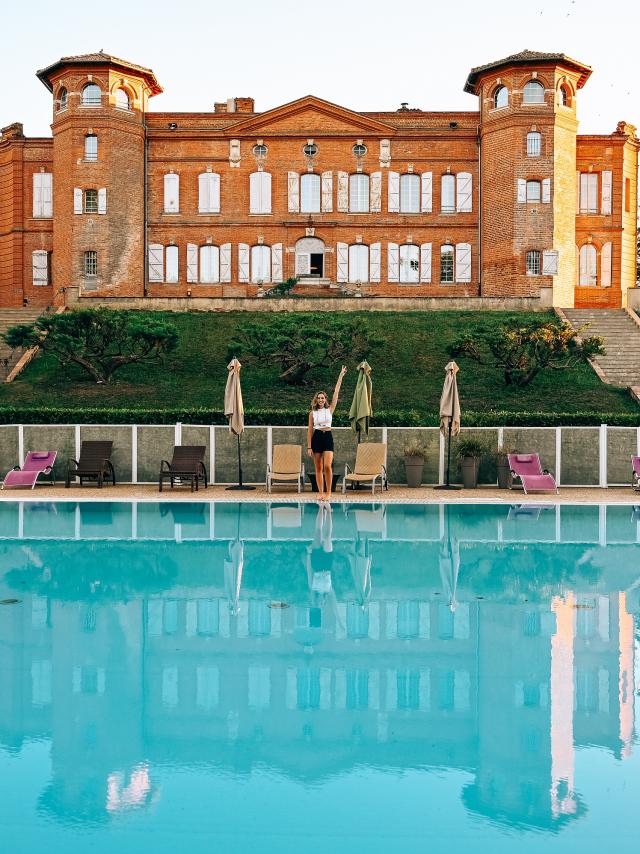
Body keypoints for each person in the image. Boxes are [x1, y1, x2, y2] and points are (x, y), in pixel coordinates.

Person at [307, 365, 347, 502]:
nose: (321, 400)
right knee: (318, 467)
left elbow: (336, 392)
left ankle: (329, 492)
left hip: (328, 437)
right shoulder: (312, 413)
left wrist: (340, 376)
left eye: (323, 398)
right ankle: (320, 492)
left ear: (325, 400)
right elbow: (310, 430)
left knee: (327, 465)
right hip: (317, 437)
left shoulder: (330, 410)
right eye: (319, 398)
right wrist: (309, 446)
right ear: (316, 400)